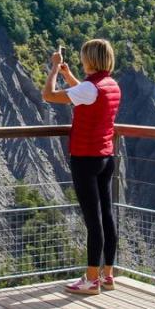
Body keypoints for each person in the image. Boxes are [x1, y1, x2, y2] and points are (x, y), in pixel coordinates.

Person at [42, 39, 121, 295]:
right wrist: (70, 75)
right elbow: (87, 95)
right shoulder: (111, 85)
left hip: (86, 159)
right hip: (106, 157)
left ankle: (90, 279)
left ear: (91, 59)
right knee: (107, 217)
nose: (81, 60)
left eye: (83, 57)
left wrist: (54, 69)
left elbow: (49, 95)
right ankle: (108, 275)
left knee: (92, 221)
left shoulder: (90, 88)